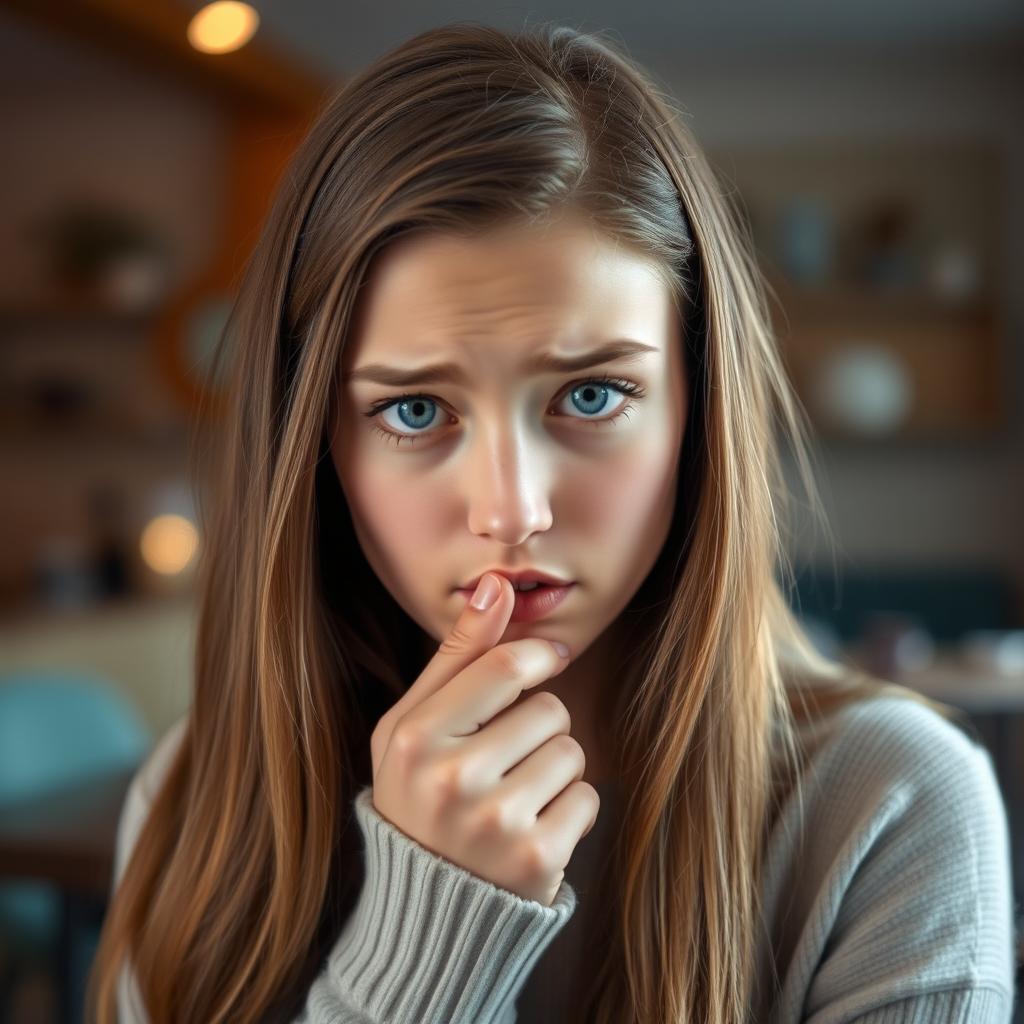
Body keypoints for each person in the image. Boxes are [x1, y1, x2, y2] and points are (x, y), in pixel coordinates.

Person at [86, 22, 1016, 1024]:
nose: (510, 511)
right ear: (316, 449)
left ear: (696, 411)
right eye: (413, 410)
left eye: (589, 397)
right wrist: (431, 940)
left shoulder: (892, 806)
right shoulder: (195, 800)